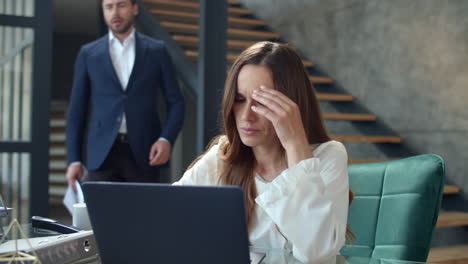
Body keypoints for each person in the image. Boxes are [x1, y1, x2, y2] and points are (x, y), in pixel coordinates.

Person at [175, 41, 349, 264]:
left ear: (292, 105)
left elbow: (317, 252)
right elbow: (169, 213)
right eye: (239, 100)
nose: (247, 116)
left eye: (261, 102)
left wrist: (295, 144)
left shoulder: (328, 155)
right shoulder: (223, 157)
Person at [66, 0, 184, 192]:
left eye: (121, 5)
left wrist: (166, 139)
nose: (115, 13)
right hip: (101, 155)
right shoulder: (89, 54)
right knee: (101, 220)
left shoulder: (157, 51)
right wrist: (74, 160)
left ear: (134, 8)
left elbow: (176, 102)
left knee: (144, 219)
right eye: (109, 7)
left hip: (145, 153)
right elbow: (76, 111)